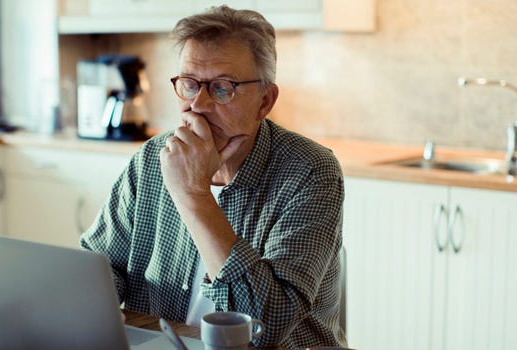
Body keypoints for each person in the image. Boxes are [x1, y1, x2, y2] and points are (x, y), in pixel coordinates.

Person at [80, 5, 345, 348]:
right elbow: (100, 265)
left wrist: (193, 194)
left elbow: (264, 328)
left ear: (265, 101)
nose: (199, 105)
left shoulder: (310, 171)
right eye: (190, 85)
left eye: (222, 88)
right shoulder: (151, 159)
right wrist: (91, 304)